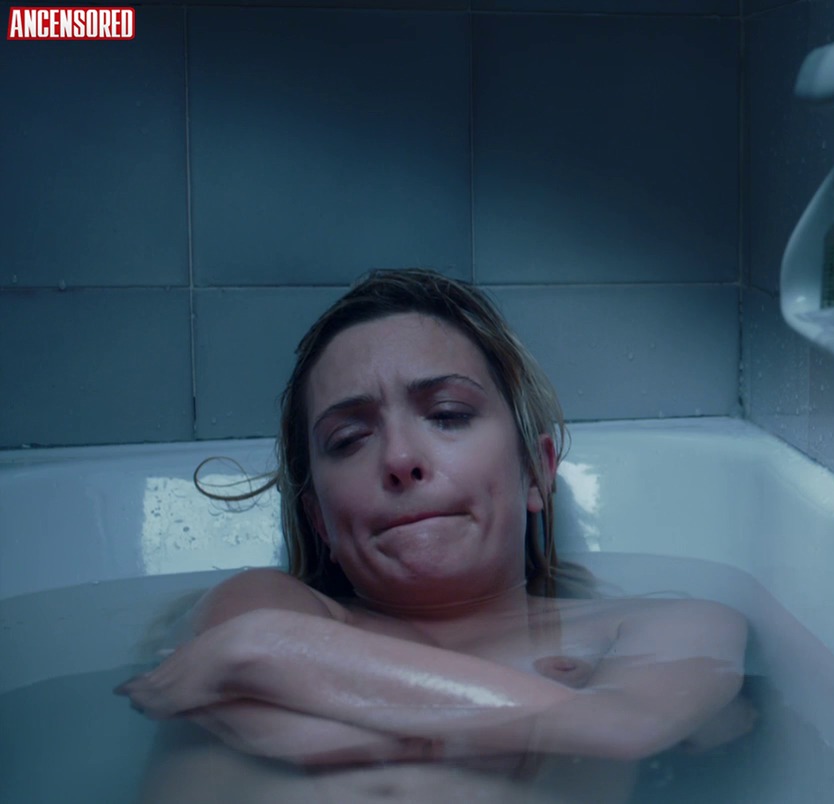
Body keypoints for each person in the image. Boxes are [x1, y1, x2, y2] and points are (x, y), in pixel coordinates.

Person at [116, 269, 756, 803]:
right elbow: (615, 726)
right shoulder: (260, 607)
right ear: (318, 519)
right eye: (349, 438)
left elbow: (626, 727)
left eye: (448, 415)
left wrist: (267, 653)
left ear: (537, 471)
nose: (400, 458)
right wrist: (568, 719)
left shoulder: (665, 625)